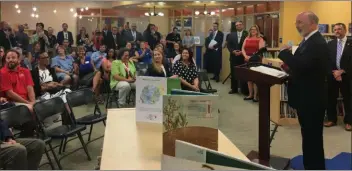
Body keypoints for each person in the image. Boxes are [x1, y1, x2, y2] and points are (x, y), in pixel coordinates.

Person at [278, 11, 328, 169]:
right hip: (305, 98)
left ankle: (315, 167)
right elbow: (303, 67)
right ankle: (310, 165)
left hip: (312, 99)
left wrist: (284, 54)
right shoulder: (307, 41)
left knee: (312, 138)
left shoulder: (317, 43)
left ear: (312, 23)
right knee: (308, 136)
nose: (297, 25)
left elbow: (302, 65)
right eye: (296, 22)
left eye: (300, 22)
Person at [325, 23, 352, 131]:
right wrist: (335, 73)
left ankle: (349, 122)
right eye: (335, 29)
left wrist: (342, 71)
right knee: (330, 98)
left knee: (348, 99)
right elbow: (327, 60)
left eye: (339, 29)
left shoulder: (350, 43)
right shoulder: (330, 44)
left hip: (348, 76)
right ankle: (332, 119)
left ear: (345, 30)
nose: (337, 31)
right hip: (333, 76)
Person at [242, 25, 265, 102]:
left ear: (257, 30)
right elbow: (242, 48)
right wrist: (245, 56)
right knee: (249, 79)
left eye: (255, 29)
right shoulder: (247, 38)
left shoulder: (260, 39)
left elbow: (260, 51)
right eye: (251, 29)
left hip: (256, 60)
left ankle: (255, 96)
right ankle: (250, 95)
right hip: (247, 60)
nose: (253, 31)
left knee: (255, 79)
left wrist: (251, 57)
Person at [227, 21, 249, 95]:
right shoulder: (231, 35)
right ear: (235, 27)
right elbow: (229, 45)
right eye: (237, 25)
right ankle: (234, 89)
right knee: (234, 73)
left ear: (243, 25)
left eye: (240, 25)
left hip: (243, 57)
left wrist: (242, 52)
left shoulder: (247, 34)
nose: (238, 26)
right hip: (234, 57)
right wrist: (233, 51)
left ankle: (244, 90)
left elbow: (248, 45)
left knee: (244, 73)